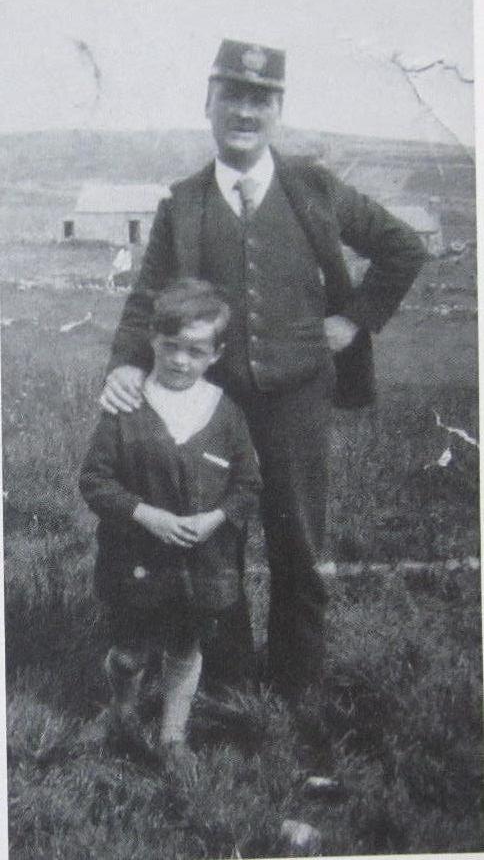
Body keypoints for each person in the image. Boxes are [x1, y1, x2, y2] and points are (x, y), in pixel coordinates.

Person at [100, 39, 427, 697]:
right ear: (209, 105)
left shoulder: (314, 188)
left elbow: (401, 246)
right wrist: (126, 365)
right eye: (232, 97)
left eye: (260, 99)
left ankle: (296, 701)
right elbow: (146, 299)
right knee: (215, 552)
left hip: (299, 402)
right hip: (215, 412)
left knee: (298, 552)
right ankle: (230, 696)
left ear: (278, 110)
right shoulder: (184, 203)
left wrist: (356, 319)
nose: (245, 111)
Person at [80, 279, 261, 757]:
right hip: (134, 559)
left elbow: (248, 486)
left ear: (216, 353)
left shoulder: (225, 414)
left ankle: (172, 735)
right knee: (130, 650)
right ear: (153, 342)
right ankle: (121, 712)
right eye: (171, 347)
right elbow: (94, 481)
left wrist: (217, 519)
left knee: (185, 647)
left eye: (196, 351)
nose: (181, 360)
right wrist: (146, 515)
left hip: (198, 565)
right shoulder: (126, 407)